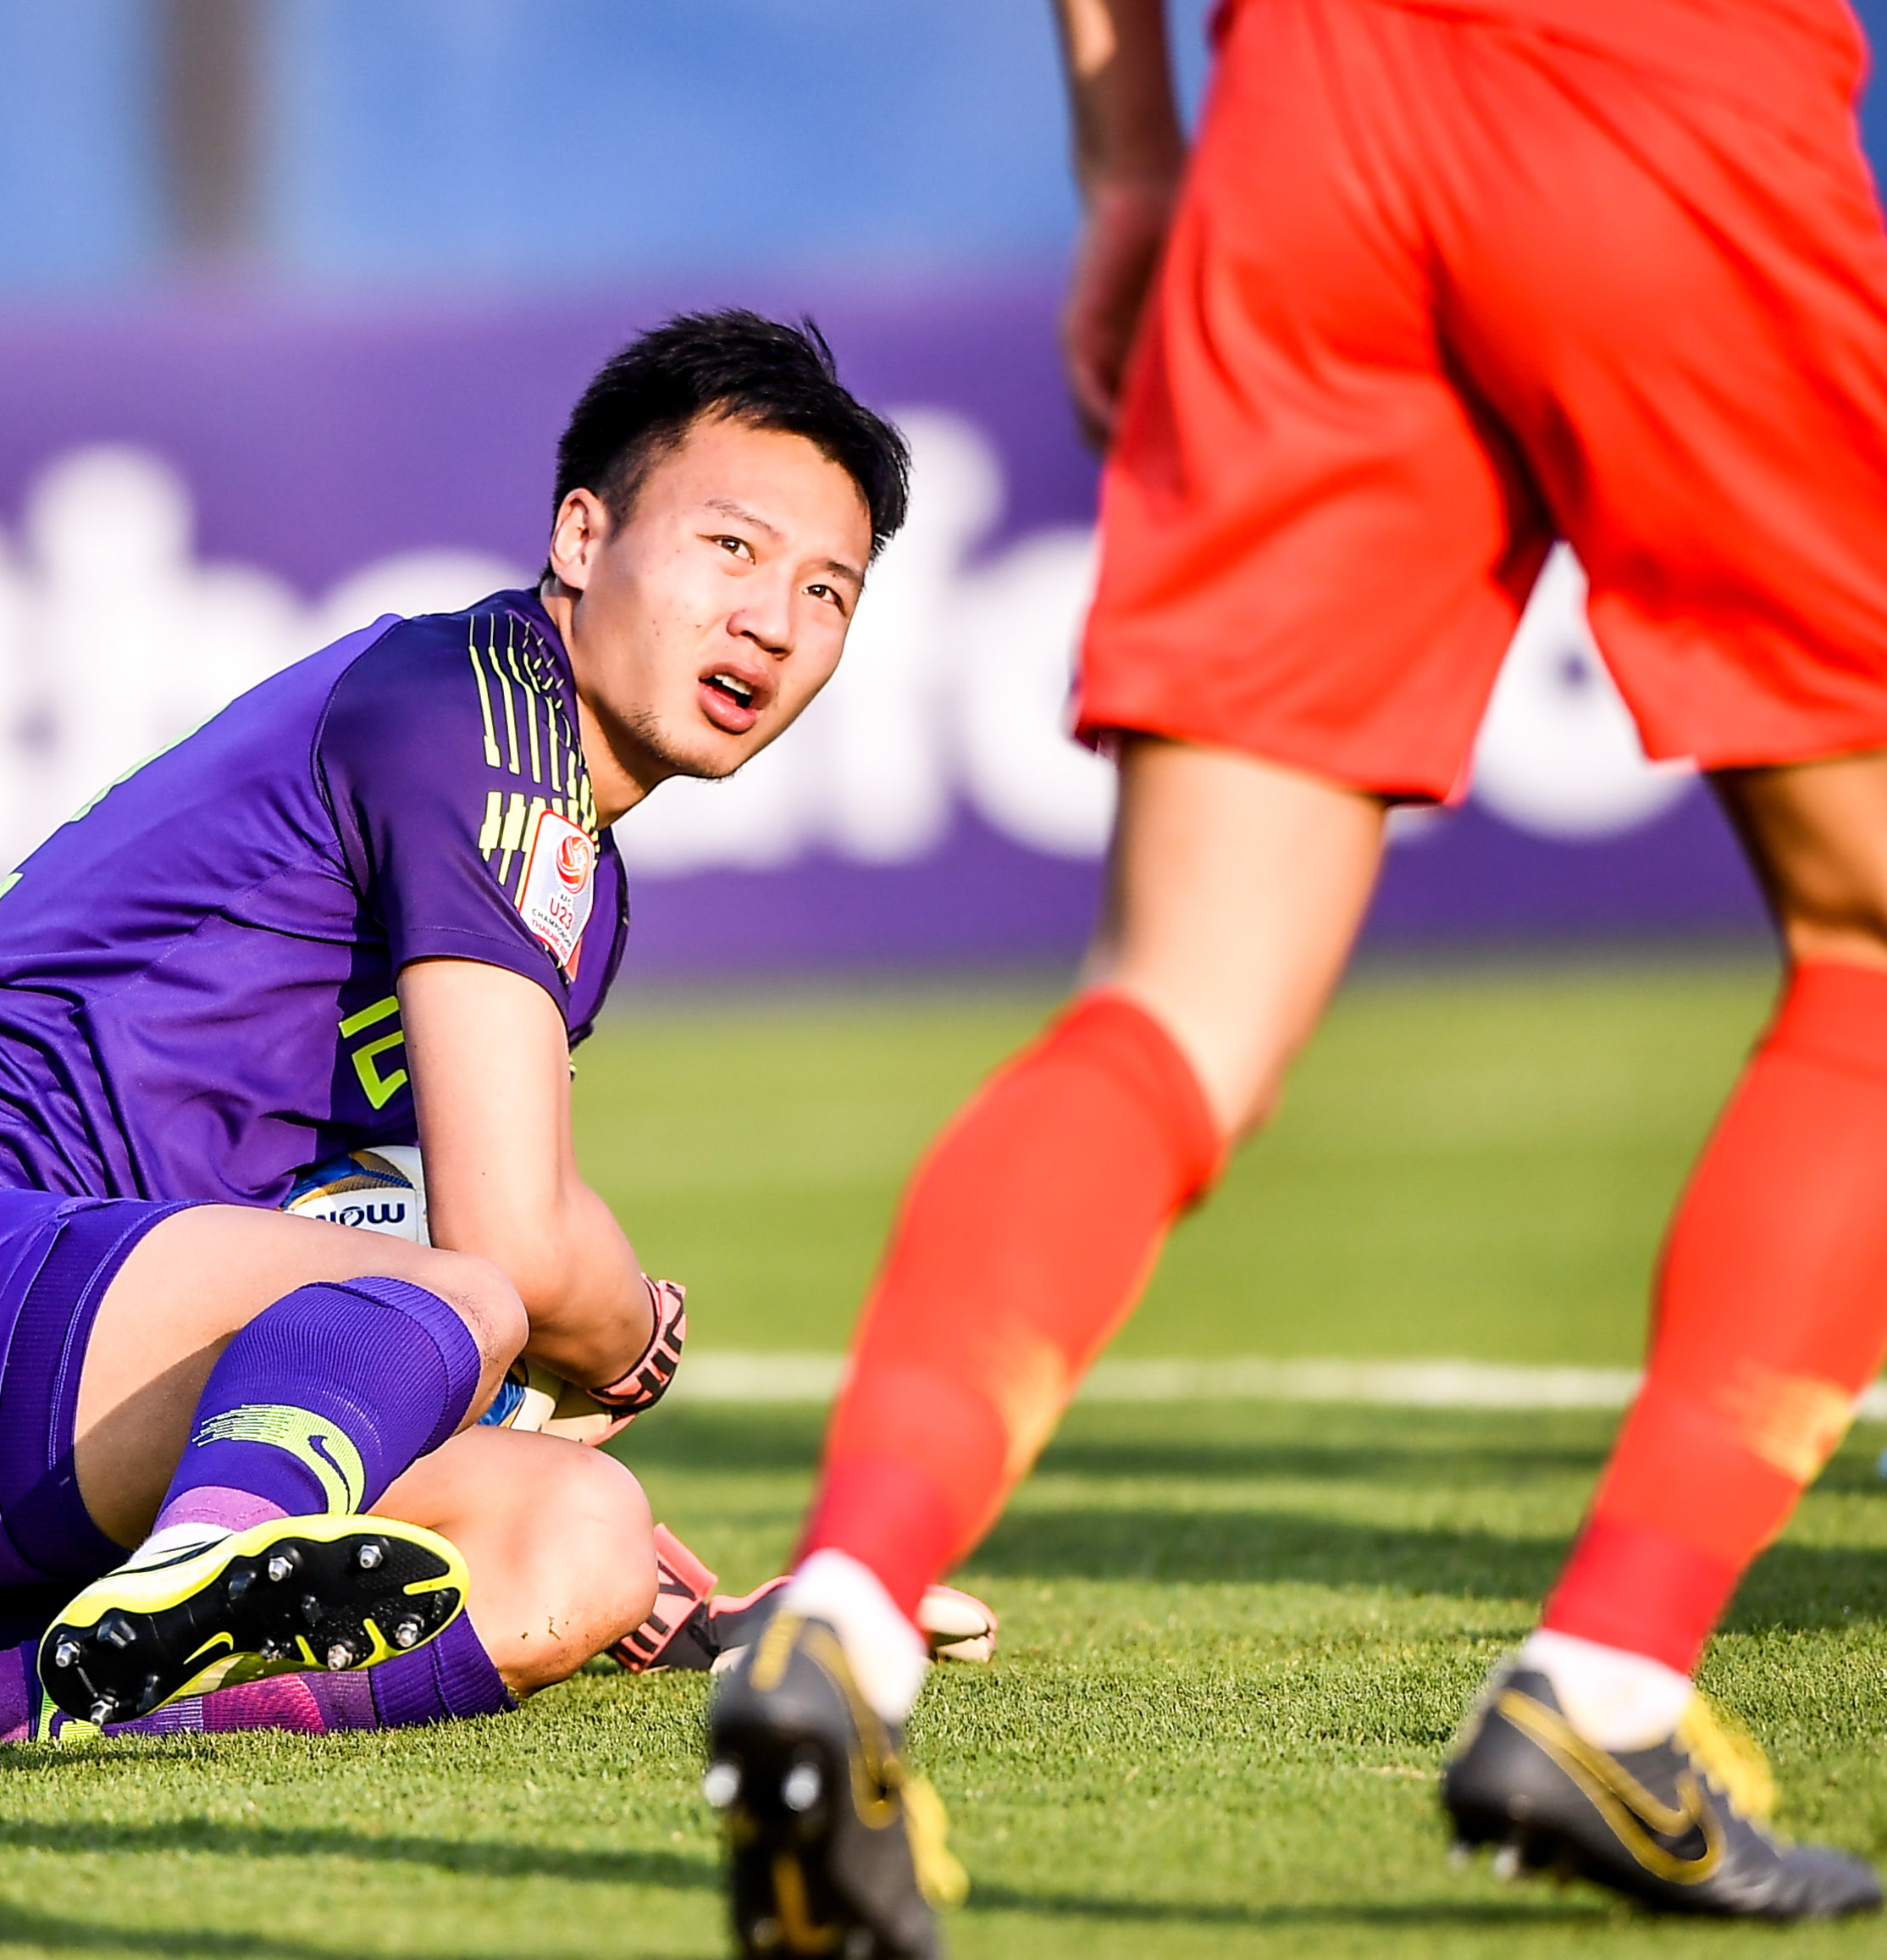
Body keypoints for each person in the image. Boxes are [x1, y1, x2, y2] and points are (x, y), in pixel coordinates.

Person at [705, 0, 1887, 1950]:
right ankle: (1607, 1681)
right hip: (1664, 92)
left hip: (1306, 121)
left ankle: (838, 1609)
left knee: (1171, 995)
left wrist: (1129, 165)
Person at [0, 311, 911, 1771]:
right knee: (472, 1290)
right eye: (731, 550)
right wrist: (632, 1333)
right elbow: (516, 1247)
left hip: (17, 1449)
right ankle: (208, 1556)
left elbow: (362, 1251)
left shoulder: (574, 876)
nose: (777, 620)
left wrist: (695, 1611)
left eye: (830, 591)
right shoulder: (478, 710)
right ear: (580, 534)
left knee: (577, 1539)